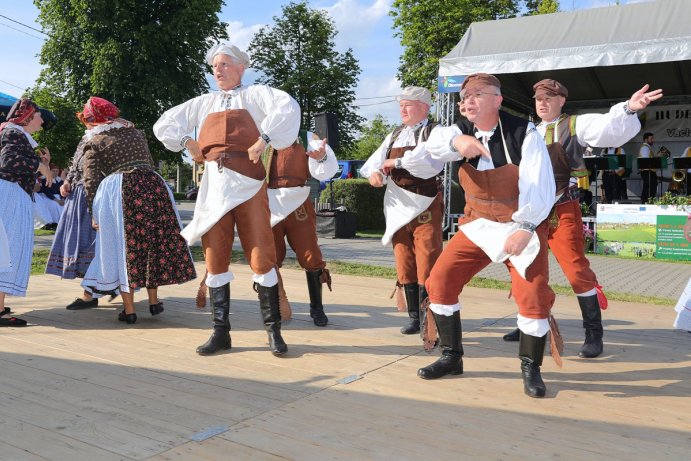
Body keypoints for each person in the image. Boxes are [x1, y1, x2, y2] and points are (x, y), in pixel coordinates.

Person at [154, 43, 300, 356]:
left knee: (262, 257)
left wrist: (264, 139)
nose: (217, 71)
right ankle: (221, 333)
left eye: (224, 65)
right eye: (214, 66)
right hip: (214, 187)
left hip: (248, 184)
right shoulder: (203, 102)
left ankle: (273, 332)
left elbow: (287, 107)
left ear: (241, 67)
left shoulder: (257, 94)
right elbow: (164, 123)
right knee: (215, 259)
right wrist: (186, 141)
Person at [416, 74, 557, 398]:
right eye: (466, 95)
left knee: (533, 298)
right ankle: (451, 357)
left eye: (478, 94)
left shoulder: (525, 133)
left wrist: (525, 227)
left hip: (520, 224)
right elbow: (432, 146)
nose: (469, 100)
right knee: (439, 284)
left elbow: (539, 187)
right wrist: (456, 143)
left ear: (497, 99)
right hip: (478, 224)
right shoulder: (458, 130)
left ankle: (530, 367)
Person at [502, 81, 662, 360]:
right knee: (523, 267)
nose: (542, 103)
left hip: (562, 208)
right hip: (530, 214)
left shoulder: (578, 124)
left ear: (562, 100)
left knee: (576, 271)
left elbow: (609, 130)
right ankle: (529, 318)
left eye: (549, 98)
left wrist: (627, 109)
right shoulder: (530, 131)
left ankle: (593, 333)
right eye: (538, 98)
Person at [79, 96, 196, 324]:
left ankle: (130, 310)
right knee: (152, 242)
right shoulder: (135, 133)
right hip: (152, 184)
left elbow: (90, 180)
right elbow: (148, 161)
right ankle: (153, 301)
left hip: (120, 190)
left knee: (124, 247)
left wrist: (94, 211)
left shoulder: (94, 141)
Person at [360, 86, 445, 335]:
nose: (403, 109)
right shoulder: (395, 134)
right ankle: (414, 317)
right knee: (404, 260)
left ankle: (430, 316)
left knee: (427, 259)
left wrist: (394, 162)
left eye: (408, 104)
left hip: (425, 204)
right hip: (397, 206)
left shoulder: (434, 132)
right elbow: (374, 162)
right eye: (401, 105)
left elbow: (426, 161)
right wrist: (375, 174)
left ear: (425, 107)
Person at [267, 130, 337, 326]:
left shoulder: (309, 138)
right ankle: (275, 307)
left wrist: (321, 158)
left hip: (298, 204)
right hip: (269, 203)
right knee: (270, 258)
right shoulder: (261, 137)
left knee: (311, 256)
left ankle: (317, 308)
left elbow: (327, 170)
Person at [0, 98, 53, 326]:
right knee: (8, 249)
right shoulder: (13, 133)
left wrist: (42, 162)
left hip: (12, 193)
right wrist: (40, 166)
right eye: (39, 115)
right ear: (28, 117)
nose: (42, 120)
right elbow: (8, 161)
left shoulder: (15, 134)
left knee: (7, 249)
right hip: (10, 195)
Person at [45, 134, 101, 309]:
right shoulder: (86, 138)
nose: (88, 123)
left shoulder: (107, 136)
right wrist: (67, 181)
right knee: (82, 244)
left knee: (95, 245)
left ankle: (90, 293)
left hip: (95, 194)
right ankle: (92, 291)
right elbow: (76, 165)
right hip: (77, 195)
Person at [638, 132, 658, 204]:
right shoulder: (645, 148)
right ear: (646, 140)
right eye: (651, 138)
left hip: (649, 171)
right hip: (647, 172)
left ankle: (647, 202)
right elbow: (646, 162)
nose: (653, 140)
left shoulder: (647, 148)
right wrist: (657, 157)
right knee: (649, 189)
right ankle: (645, 202)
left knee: (649, 188)